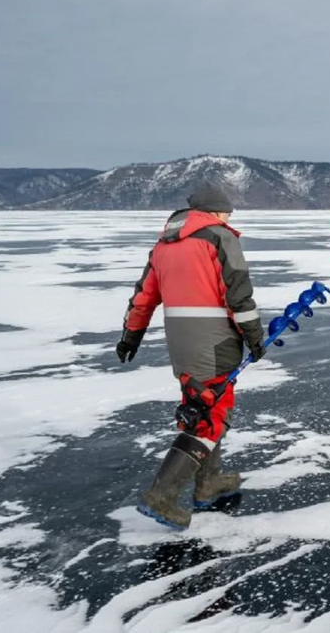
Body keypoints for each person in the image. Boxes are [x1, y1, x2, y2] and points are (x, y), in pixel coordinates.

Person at [115, 181, 266, 530]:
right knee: (210, 414)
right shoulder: (220, 237)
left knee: (203, 407)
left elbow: (143, 298)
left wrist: (130, 336)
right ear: (214, 212)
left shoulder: (163, 246)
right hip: (214, 342)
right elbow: (239, 297)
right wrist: (255, 337)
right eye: (227, 213)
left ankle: (208, 484)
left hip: (181, 344)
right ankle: (162, 496)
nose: (228, 219)